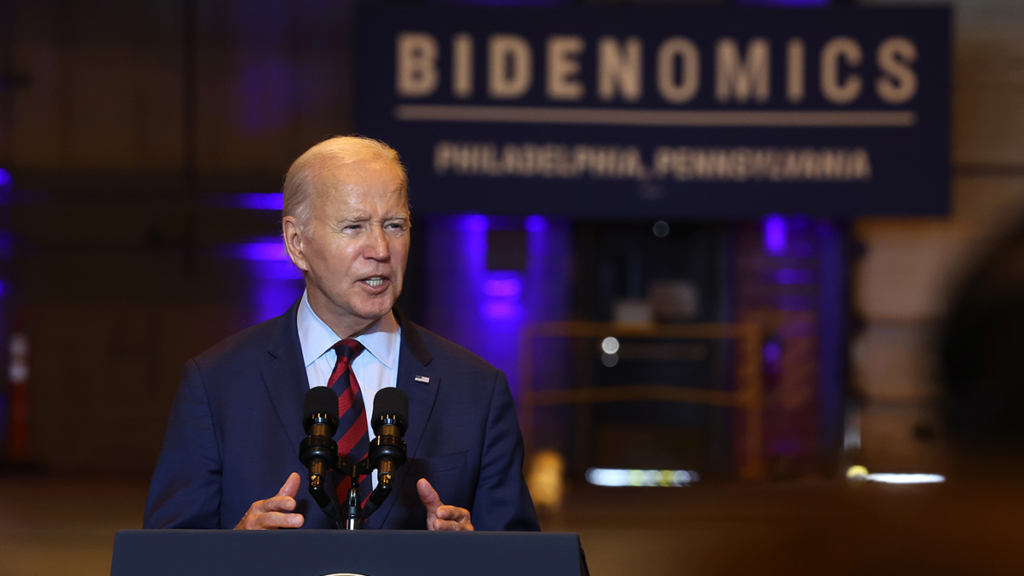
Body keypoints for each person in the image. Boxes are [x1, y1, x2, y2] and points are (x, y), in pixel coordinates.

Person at [143, 136, 539, 532]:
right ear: (297, 243)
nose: (381, 249)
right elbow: (163, 556)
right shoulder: (216, 385)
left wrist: (473, 554)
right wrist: (236, 549)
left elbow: (523, 557)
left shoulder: (477, 391)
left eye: (394, 226)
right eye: (354, 227)